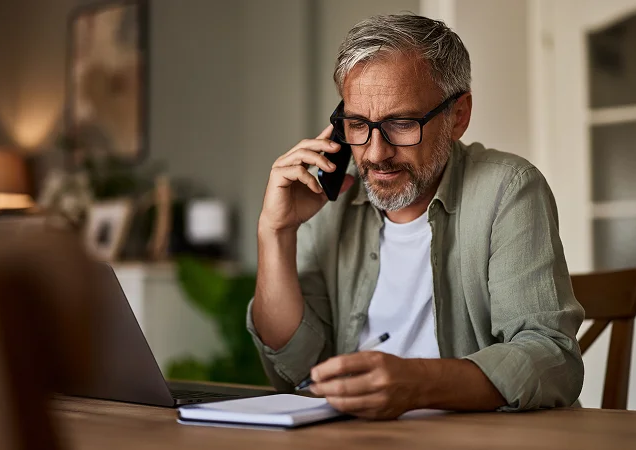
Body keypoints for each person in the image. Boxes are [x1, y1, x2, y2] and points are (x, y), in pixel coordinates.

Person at [248, 13, 584, 420]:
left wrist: (418, 384)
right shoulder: (328, 197)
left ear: (458, 115)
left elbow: (552, 358)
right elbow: (296, 371)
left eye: (401, 123)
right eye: (357, 125)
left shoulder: (508, 189)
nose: (374, 153)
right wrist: (276, 231)